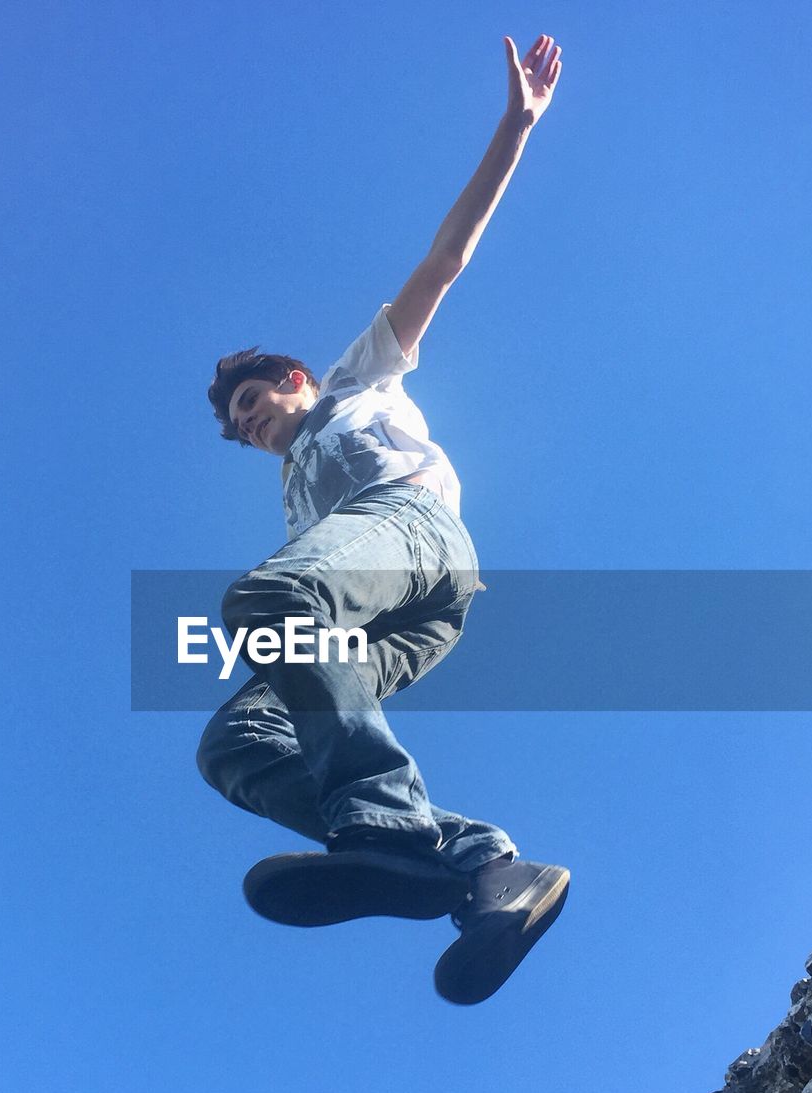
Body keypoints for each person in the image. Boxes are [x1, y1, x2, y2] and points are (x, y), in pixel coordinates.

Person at [197, 33, 570, 1005]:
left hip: (414, 536)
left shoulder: (361, 374)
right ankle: (480, 867)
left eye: (249, 406)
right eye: (238, 429)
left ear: (292, 378)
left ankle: (385, 827)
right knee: (235, 741)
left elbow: (444, 259)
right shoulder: (296, 501)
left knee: (272, 592)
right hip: (376, 606)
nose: (248, 428)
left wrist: (513, 129)